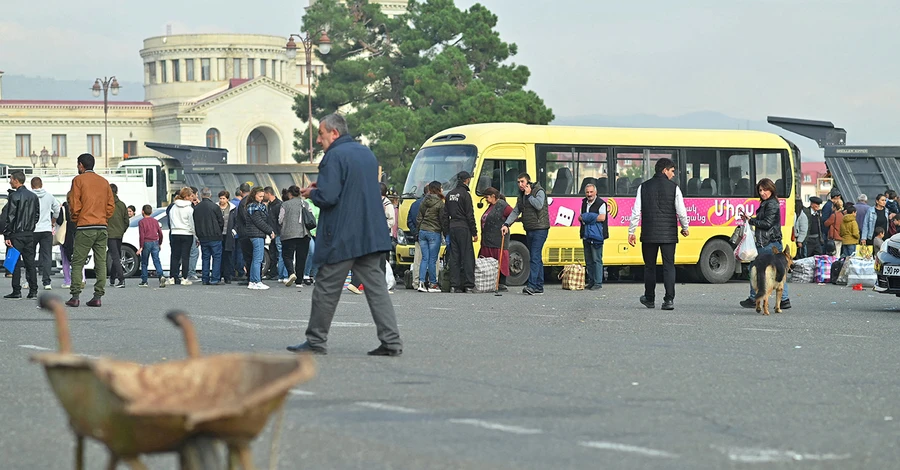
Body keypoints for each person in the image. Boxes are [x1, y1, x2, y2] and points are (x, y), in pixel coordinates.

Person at [287, 113, 402, 356]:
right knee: (377, 289)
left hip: (342, 236)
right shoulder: (366, 154)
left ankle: (316, 340)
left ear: (334, 133)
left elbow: (329, 197)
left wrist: (311, 193)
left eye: (321, 134)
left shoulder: (333, 156)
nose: (319, 140)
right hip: (371, 233)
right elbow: (354, 188)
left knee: (326, 288)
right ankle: (391, 341)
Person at [627, 158, 689, 310]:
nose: (673, 175)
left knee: (649, 267)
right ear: (664, 170)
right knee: (669, 266)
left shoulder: (643, 187)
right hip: (668, 235)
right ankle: (668, 300)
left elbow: (636, 211)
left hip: (648, 234)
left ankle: (649, 298)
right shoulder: (674, 188)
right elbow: (681, 211)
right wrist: (685, 227)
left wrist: (631, 231)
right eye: (672, 171)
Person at [66, 153, 115, 307]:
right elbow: (110, 205)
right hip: (101, 226)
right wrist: (103, 217)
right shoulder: (104, 182)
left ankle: (75, 296)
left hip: (85, 226)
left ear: (81, 165)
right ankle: (98, 295)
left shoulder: (78, 180)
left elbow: (74, 204)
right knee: (100, 261)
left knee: (78, 261)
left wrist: (76, 219)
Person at [739, 178, 791, 310]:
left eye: (765, 190)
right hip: (770, 242)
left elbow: (767, 223)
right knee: (778, 270)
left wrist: (752, 221)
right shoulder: (767, 203)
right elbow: (765, 220)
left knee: (756, 269)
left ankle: (754, 297)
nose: (762, 192)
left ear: (771, 189)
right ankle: (784, 299)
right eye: (760, 190)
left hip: (768, 242)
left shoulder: (771, 204)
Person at [502, 173, 550, 295]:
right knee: (536, 257)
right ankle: (539, 286)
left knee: (534, 256)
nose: (520, 184)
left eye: (522, 182)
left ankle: (532, 285)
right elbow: (515, 211)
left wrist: (529, 196)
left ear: (528, 182)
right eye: (518, 182)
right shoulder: (521, 196)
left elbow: (539, 206)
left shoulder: (539, 191)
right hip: (529, 228)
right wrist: (506, 224)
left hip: (540, 228)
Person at [4, 171, 40, 300]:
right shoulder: (33, 196)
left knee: (15, 262)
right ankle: (33, 290)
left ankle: (16, 290)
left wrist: (7, 234)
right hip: (29, 233)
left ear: (16, 180)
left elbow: (11, 217)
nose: (10, 181)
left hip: (16, 234)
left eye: (11, 179)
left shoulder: (14, 196)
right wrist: (31, 226)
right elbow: (37, 215)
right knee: (30, 262)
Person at [444, 171, 478, 293]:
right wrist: (474, 232)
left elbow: (445, 215)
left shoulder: (449, 194)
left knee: (454, 257)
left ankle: (454, 285)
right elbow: (470, 215)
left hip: (452, 228)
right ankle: (469, 285)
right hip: (463, 227)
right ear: (467, 180)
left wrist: (446, 231)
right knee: (467, 256)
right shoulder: (465, 195)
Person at [478, 187, 513, 292]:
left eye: (487, 197)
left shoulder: (502, 205)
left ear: (493, 196)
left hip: (498, 239)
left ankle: (501, 282)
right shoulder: (491, 206)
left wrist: (506, 225)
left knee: (500, 261)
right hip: (488, 240)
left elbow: (513, 215)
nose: (486, 200)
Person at [279, 185, 313, 288]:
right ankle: (299, 281)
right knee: (301, 258)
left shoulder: (285, 204)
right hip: (304, 234)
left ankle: (291, 273)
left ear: (290, 194)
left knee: (287, 255)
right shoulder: (306, 204)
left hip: (289, 234)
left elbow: (280, 219)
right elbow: (311, 216)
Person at [30, 176, 60, 290]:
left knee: (30, 256)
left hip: (32, 230)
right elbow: (57, 210)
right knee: (47, 256)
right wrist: (53, 221)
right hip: (46, 229)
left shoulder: (29, 196)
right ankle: (47, 282)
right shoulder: (49, 196)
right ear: (41, 184)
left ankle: (30, 281)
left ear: (32, 185)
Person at [242, 186, 274, 290]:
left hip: (255, 234)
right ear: (254, 195)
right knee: (258, 259)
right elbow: (259, 222)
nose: (261, 198)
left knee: (256, 259)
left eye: (262, 196)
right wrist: (270, 231)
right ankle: (257, 281)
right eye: (259, 196)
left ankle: (252, 281)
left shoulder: (251, 206)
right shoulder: (254, 207)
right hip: (257, 235)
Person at [416, 181, 445, 293]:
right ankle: (433, 284)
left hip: (423, 231)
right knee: (432, 260)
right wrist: (444, 232)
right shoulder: (440, 203)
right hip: (434, 232)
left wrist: (419, 230)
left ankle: (421, 283)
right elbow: (442, 220)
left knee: (424, 258)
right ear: (438, 189)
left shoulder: (424, 201)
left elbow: (419, 217)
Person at [193, 187, 224, 285]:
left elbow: (195, 223)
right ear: (210, 195)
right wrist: (219, 231)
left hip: (203, 236)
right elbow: (221, 221)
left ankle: (205, 278)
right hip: (215, 236)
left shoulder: (197, 208)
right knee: (217, 257)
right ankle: (215, 278)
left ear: (201, 195)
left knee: (205, 257)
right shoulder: (215, 207)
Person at [579, 183, 607, 290]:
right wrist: (587, 218)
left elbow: (602, 218)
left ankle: (598, 282)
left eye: (591, 192)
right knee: (588, 259)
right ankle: (591, 281)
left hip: (597, 235)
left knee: (597, 259)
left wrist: (587, 217)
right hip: (586, 234)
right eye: (587, 192)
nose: (589, 194)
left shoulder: (601, 203)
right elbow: (580, 218)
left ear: (596, 192)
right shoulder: (584, 203)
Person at [168, 187, 196, 286]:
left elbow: (171, 220)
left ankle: (172, 277)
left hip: (175, 232)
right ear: (186, 196)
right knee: (185, 257)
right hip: (187, 233)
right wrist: (194, 234)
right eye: (191, 196)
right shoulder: (189, 208)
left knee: (175, 256)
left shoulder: (173, 207)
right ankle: (184, 278)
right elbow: (191, 223)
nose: (192, 198)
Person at [136, 204, 167, 288]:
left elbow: (141, 235)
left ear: (142, 211)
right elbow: (160, 233)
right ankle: (161, 276)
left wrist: (141, 247)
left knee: (144, 262)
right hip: (155, 241)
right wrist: (159, 243)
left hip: (146, 242)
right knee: (156, 260)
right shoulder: (155, 221)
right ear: (151, 212)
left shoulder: (141, 222)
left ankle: (144, 280)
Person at [106, 183, 130, 288]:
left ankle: (121, 279)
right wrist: (122, 230)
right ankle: (112, 278)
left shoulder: (106, 205)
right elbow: (126, 221)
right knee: (117, 255)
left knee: (115, 256)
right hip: (119, 234)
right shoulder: (122, 204)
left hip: (109, 233)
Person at [264, 186, 287, 281]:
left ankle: (280, 273)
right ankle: (273, 272)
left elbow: (280, 220)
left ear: (268, 194)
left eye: (264, 194)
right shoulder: (269, 205)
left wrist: (277, 232)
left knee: (279, 253)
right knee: (272, 253)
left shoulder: (279, 205)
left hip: (277, 233)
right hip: (271, 233)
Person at [406, 188, 426, 289]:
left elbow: (409, 221)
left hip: (419, 235)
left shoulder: (414, 204)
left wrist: (415, 233)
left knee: (417, 259)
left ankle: (416, 282)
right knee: (433, 259)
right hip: (432, 234)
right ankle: (432, 282)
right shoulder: (436, 203)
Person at [218, 191, 236, 284]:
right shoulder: (216, 207)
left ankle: (227, 276)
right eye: (220, 198)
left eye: (224, 198)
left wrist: (234, 231)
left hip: (229, 235)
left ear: (227, 199)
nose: (222, 200)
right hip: (218, 235)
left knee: (228, 256)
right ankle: (218, 275)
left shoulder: (232, 208)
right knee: (218, 255)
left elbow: (236, 221)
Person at [303, 199, 320, 285]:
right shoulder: (306, 203)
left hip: (318, 231)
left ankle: (315, 275)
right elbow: (307, 219)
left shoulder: (319, 202)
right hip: (308, 232)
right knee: (312, 252)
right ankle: (306, 274)